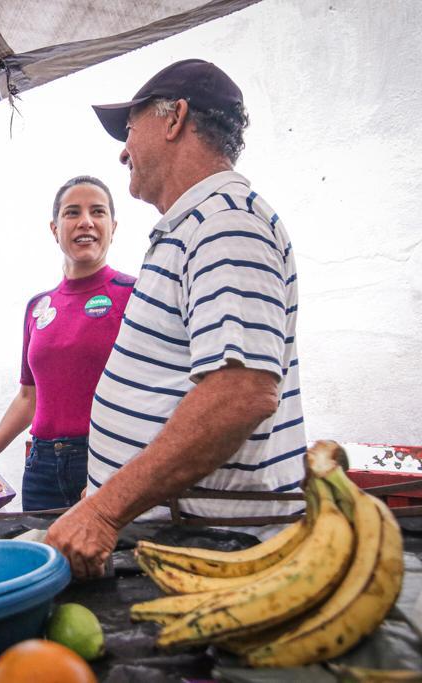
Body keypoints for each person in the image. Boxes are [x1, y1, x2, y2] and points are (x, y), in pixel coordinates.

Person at [45, 60, 306, 578]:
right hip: (179, 532)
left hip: (212, 544)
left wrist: (104, 507)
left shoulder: (226, 224)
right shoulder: (198, 225)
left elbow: (240, 393)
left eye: (130, 129)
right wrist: (104, 483)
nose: (123, 150)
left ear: (174, 119)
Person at [0, 176, 135, 511]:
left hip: (107, 460)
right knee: (45, 557)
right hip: (41, 467)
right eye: (72, 212)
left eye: (98, 212)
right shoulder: (38, 307)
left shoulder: (135, 294)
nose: (85, 221)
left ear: (113, 226)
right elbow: (28, 396)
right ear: (54, 228)